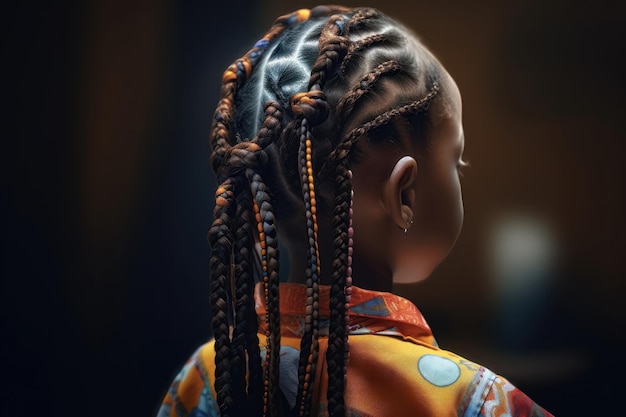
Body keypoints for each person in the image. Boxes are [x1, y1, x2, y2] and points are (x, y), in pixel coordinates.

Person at [156, 5, 554, 417]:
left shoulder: (209, 376)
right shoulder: (475, 401)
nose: (460, 173)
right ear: (405, 194)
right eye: (457, 160)